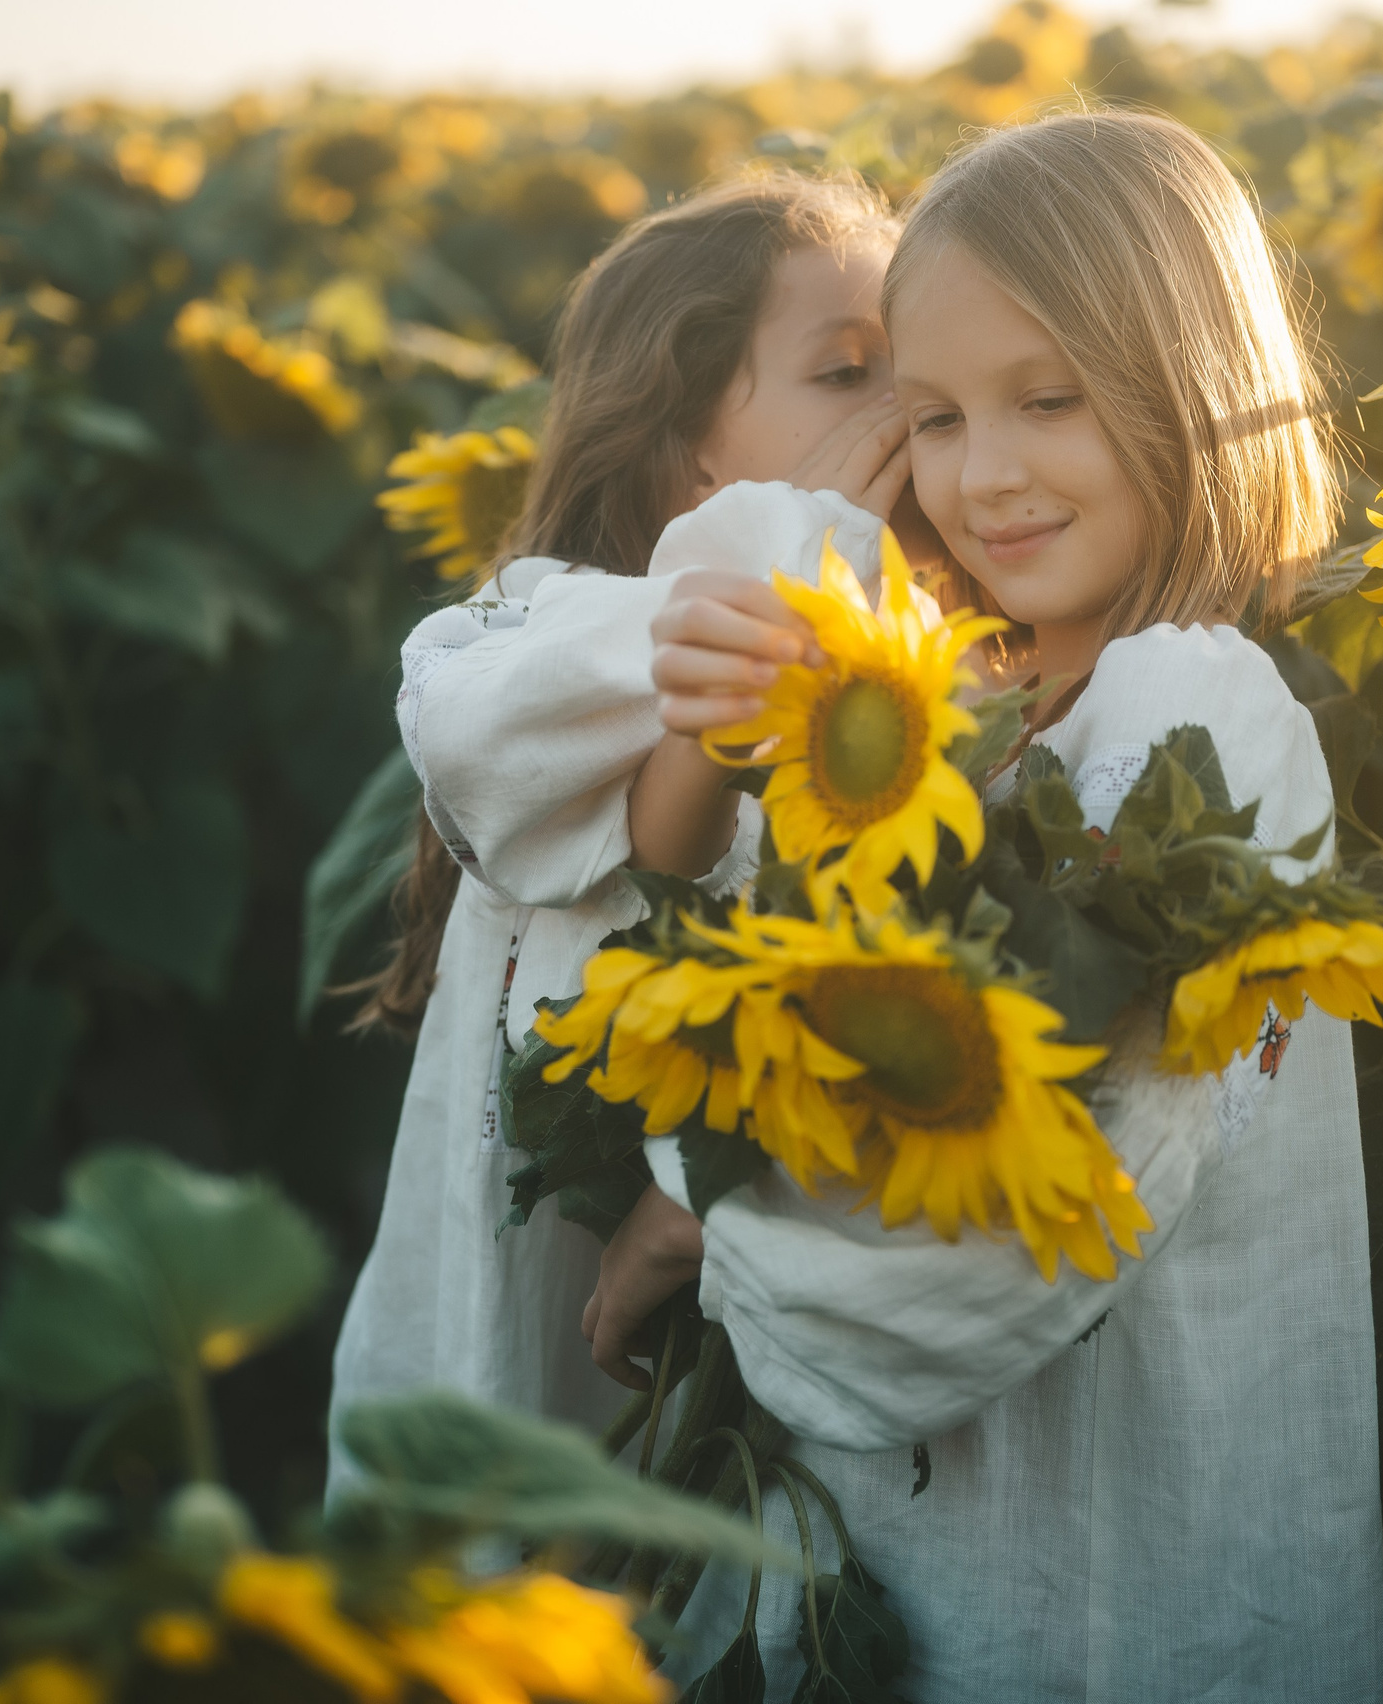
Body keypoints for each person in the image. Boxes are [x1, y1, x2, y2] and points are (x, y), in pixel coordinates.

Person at [619, 112, 1383, 1700]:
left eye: (1050, 400)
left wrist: (703, 1215)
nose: (986, 476)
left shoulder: (1200, 716)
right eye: (937, 417)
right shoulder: (974, 715)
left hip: (1121, 1594)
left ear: (1197, 388)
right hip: (928, 1559)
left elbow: (1032, 1156)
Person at [327, 171, 925, 1485]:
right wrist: (801, 547)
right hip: (569, 1320)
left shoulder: (917, 647)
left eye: (919, 366)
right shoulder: (565, 627)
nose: (906, 409)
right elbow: (643, 828)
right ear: (684, 448)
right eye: (848, 372)